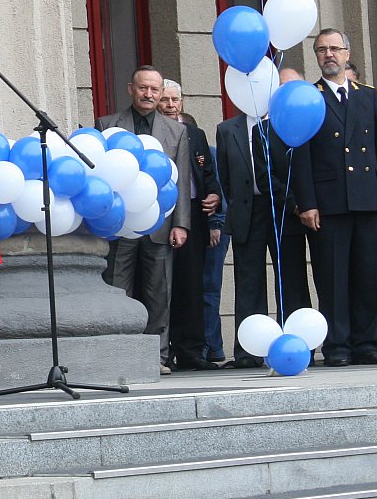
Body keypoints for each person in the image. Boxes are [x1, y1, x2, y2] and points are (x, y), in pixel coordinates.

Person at [295, 29, 377, 366]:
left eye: (335, 49)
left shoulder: (367, 96)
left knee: (369, 274)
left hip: (367, 198)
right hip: (329, 202)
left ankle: (367, 343)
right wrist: (307, 202)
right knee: (332, 278)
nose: (329, 55)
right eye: (322, 50)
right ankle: (337, 346)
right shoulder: (309, 96)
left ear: (347, 52)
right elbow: (302, 154)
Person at [96, 66, 192, 374]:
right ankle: (116, 349)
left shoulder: (176, 131)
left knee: (158, 290)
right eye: (143, 88)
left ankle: (158, 355)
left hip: (161, 224)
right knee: (116, 287)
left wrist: (181, 223)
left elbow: (182, 181)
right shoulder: (108, 125)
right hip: (120, 222)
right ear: (131, 89)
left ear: (161, 92)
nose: (148, 94)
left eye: (154, 89)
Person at [215, 68, 311, 368]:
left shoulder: (287, 125)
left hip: (286, 210)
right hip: (248, 211)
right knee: (248, 282)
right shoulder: (227, 129)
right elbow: (227, 179)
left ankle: (297, 344)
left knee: (291, 279)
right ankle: (248, 352)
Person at [157, 80, 222, 371]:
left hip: (194, 215)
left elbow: (207, 173)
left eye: (176, 99)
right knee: (162, 285)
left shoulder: (195, 133)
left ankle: (192, 351)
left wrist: (214, 195)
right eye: (165, 99)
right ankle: (162, 350)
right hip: (160, 213)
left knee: (193, 285)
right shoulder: (152, 132)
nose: (171, 105)